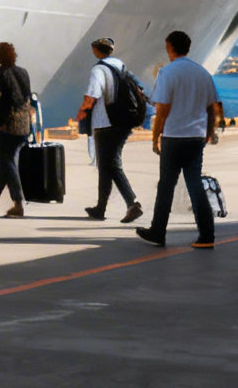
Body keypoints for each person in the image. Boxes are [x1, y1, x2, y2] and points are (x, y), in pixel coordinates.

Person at [137, 29, 222, 248]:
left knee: (166, 185)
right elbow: (212, 107)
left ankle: (158, 231)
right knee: (194, 184)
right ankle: (207, 235)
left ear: (169, 47)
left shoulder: (167, 72)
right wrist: (209, 132)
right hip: (196, 136)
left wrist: (155, 136)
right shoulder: (202, 72)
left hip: (174, 136)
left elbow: (163, 109)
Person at [77, 37, 143, 222]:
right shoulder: (120, 66)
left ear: (96, 50)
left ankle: (133, 203)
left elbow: (93, 94)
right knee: (105, 166)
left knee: (111, 165)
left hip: (106, 122)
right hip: (124, 120)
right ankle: (100, 208)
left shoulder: (98, 69)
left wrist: (81, 113)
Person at [0, 42, 35, 217]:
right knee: (5, 163)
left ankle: (18, 203)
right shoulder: (23, 72)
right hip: (24, 124)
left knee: (7, 162)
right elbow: (25, 96)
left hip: (6, 124)